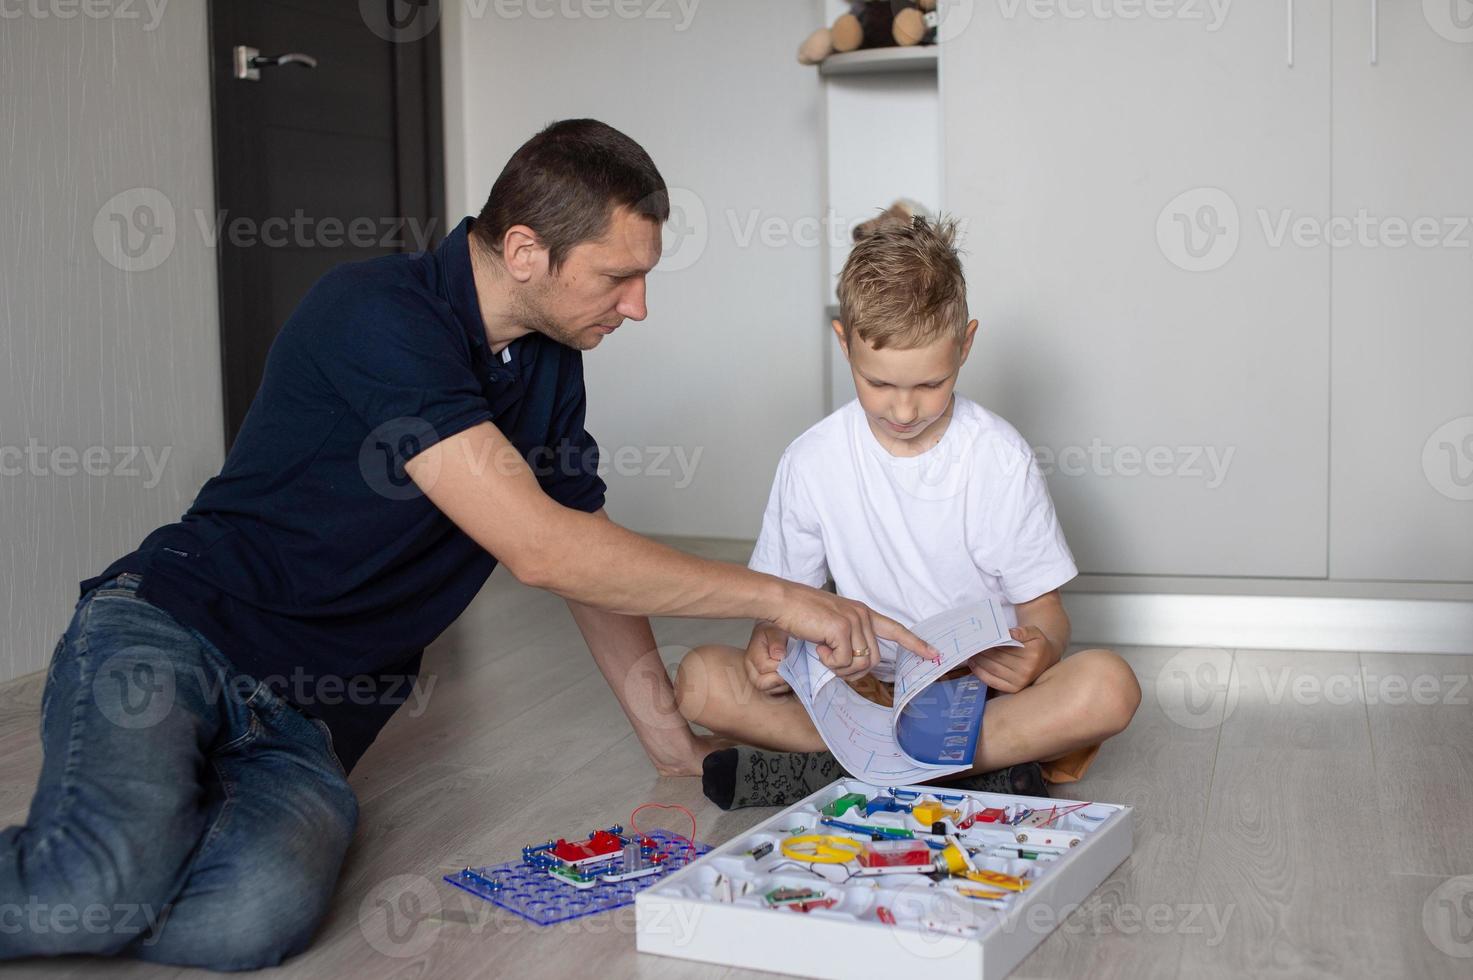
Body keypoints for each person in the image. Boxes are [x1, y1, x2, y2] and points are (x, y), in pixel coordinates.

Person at [0, 119, 937, 970]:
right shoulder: (374, 312)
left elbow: (586, 546)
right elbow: (540, 549)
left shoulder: (548, 367)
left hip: (302, 721)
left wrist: (669, 742)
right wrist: (780, 596)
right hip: (172, 635)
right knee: (87, 894)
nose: (639, 306)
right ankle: (107, 848)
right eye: (619, 276)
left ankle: (132, 830)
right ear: (525, 250)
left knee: (243, 923)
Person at [676, 215, 1142, 810]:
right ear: (844, 343)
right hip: (864, 693)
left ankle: (847, 770)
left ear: (966, 344)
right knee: (700, 682)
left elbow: (1047, 616)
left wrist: (1038, 655)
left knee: (1108, 686)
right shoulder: (811, 461)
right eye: (878, 384)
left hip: (977, 699)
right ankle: (968, 772)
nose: (902, 409)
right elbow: (780, 609)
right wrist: (770, 653)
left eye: (930, 384)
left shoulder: (998, 457)